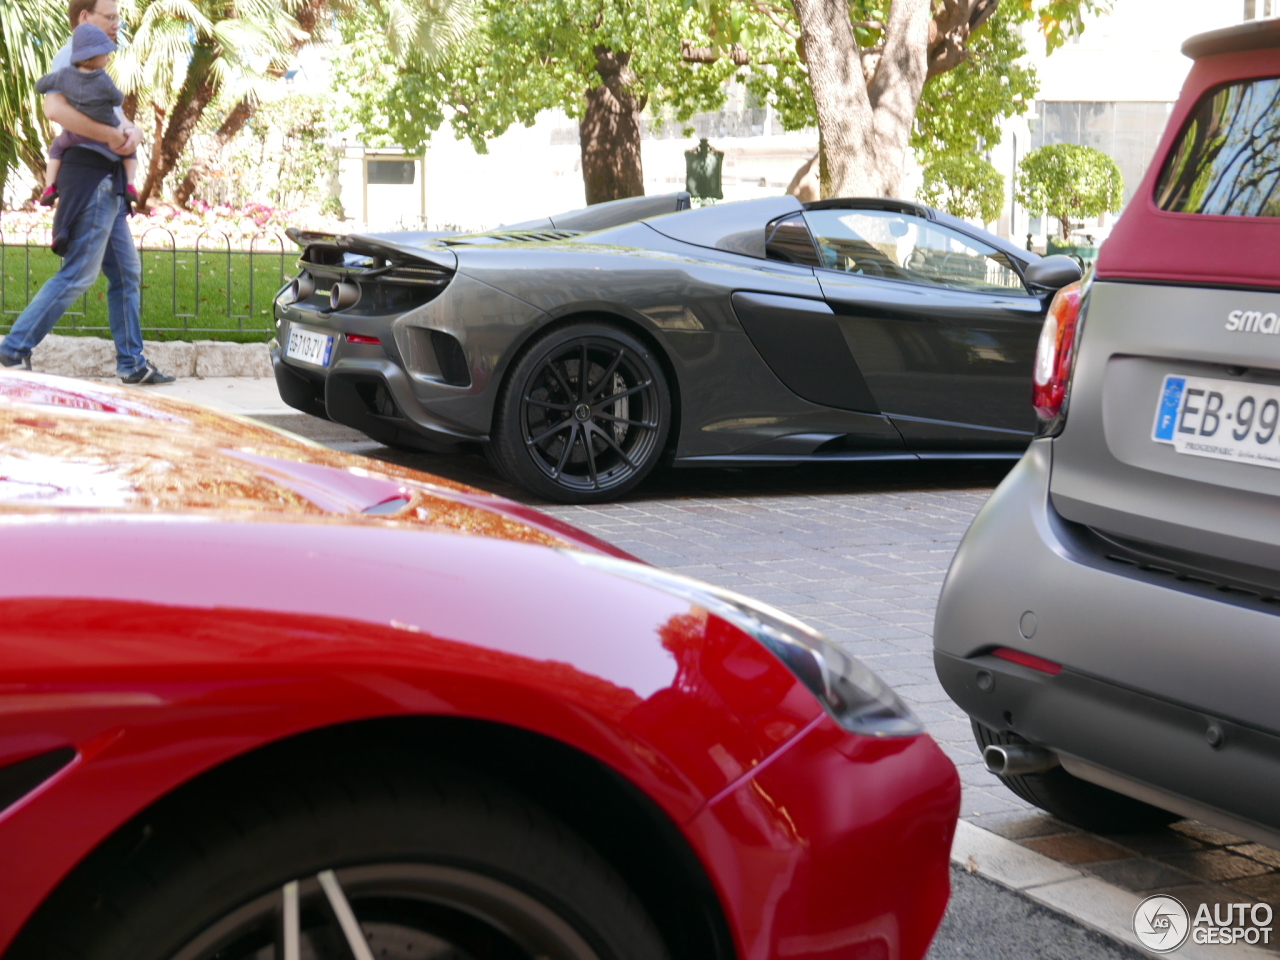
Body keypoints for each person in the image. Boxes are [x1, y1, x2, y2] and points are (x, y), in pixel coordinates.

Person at [1, 0, 174, 384]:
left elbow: (113, 113)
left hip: (107, 180)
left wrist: (133, 132)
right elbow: (54, 110)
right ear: (85, 18)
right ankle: (13, 348)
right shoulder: (74, 53)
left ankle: (132, 364)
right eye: (109, 18)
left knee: (126, 273)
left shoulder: (96, 62)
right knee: (79, 273)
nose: (117, 25)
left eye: (117, 18)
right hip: (91, 179)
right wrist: (114, 136)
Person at [36, 24, 138, 210]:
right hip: (108, 127)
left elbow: (41, 85)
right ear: (95, 58)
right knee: (130, 149)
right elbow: (117, 99)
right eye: (105, 55)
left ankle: (50, 186)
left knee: (57, 148)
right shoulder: (103, 79)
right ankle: (130, 184)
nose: (108, 59)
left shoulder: (64, 75)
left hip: (76, 134)